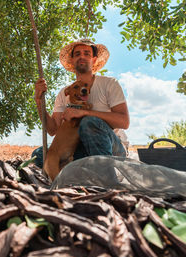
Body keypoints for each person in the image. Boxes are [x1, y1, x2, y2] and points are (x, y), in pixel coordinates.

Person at [32, 38, 130, 168]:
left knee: (89, 122)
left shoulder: (109, 84)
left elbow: (124, 122)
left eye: (87, 53)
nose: (82, 57)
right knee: (39, 154)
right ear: (72, 61)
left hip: (113, 149)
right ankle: (83, 173)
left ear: (94, 60)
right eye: (77, 54)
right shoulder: (64, 93)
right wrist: (39, 101)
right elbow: (52, 129)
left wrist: (83, 112)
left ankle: (106, 176)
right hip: (80, 150)